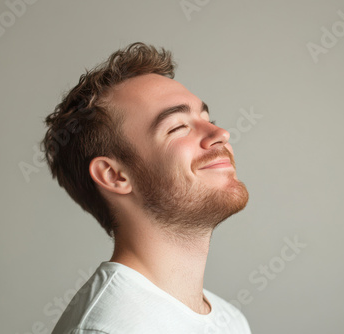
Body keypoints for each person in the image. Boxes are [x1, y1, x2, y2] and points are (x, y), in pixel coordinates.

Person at [42, 42, 251, 333]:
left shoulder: (231, 320)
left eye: (207, 119)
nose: (221, 134)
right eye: (178, 127)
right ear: (115, 176)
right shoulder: (108, 328)